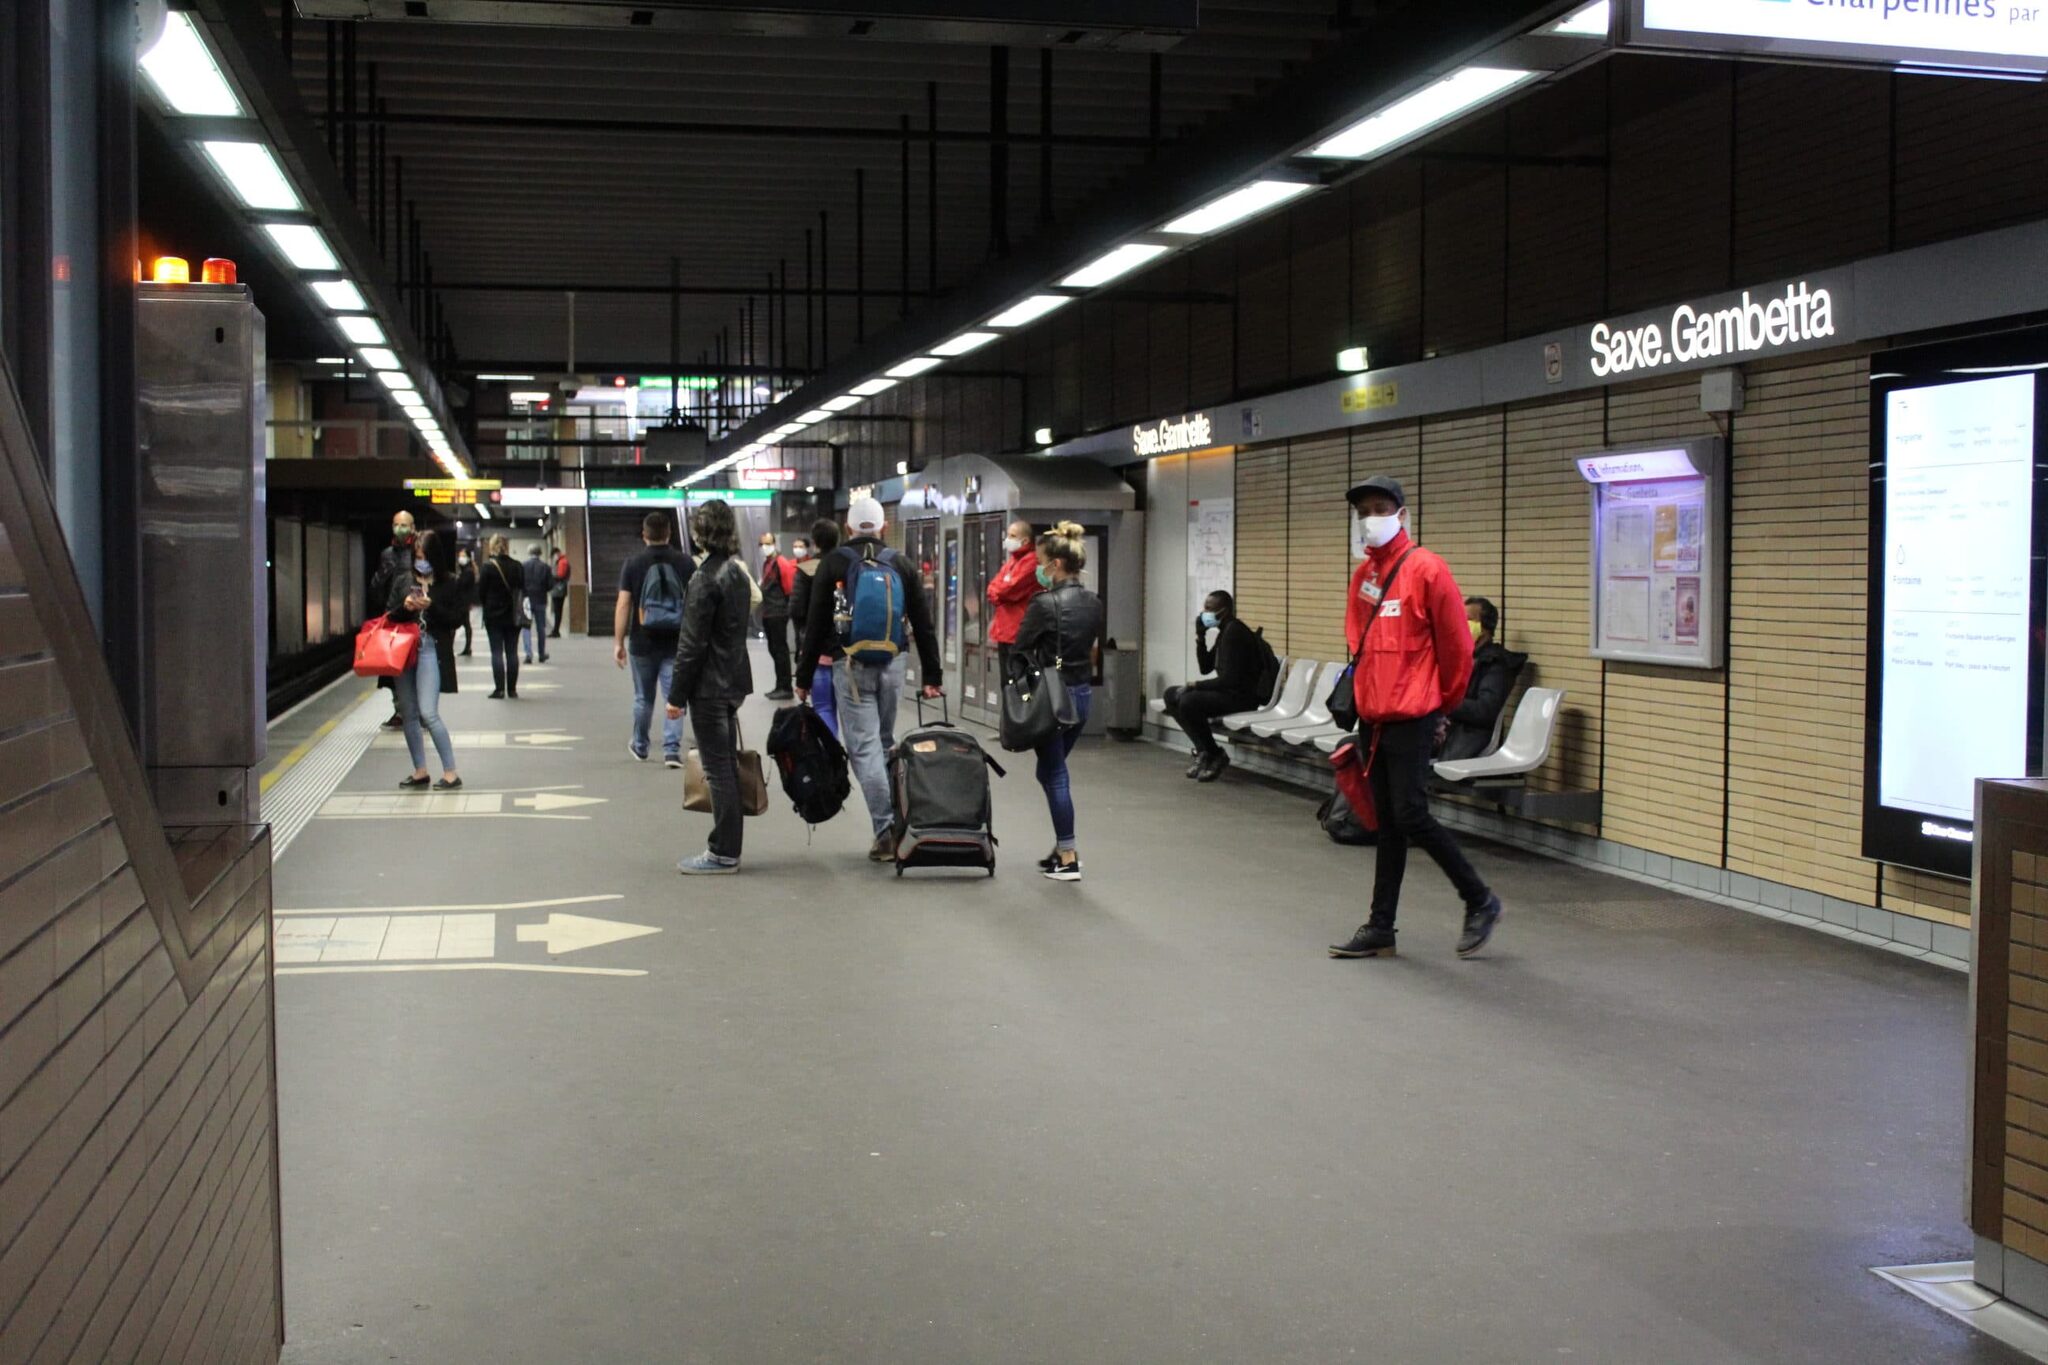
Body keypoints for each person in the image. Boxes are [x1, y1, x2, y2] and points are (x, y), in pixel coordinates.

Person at [1328, 476, 1503, 961]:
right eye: (1363, 509)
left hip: (1412, 715)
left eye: (1380, 507)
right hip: (1375, 717)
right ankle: (1381, 926)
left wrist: (1441, 708)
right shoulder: (1364, 577)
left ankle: (1479, 899)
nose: (1370, 517)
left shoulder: (1428, 570)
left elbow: (1457, 649)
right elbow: (1358, 645)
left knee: (1409, 814)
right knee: (1388, 822)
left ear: (1401, 514)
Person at [796, 495, 943, 862]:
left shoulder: (833, 563)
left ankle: (886, 832)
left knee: (863, 748)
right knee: (883, 742)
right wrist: (933, 675)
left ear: (847, 529)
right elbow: (923, 624)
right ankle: (900, 821)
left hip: (851, 665)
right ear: (884, 527)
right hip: (894, 663)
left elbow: (815, 626)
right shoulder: (902, 564)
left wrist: (803, 675)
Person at [1011, 521, 1104, 884]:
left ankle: (1068, 855)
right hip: (1081, 696)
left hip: (1053, 698)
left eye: (1040, 562)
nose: (1038, 568)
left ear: (1057, 565)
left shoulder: (1044, 603)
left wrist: (1021, 695)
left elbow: (1019, 650)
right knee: (1048, 771)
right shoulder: (1094, 603)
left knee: (1055, 774)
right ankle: (1060, 849)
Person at [666, 499, 754, 875]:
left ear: (699, 532)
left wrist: (675, 696)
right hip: (733, 679)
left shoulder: (704, 579)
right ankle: (727, 847)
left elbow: (692, 643)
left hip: (709, 687)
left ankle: (723, 852)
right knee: (726, 767)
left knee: (717, 770)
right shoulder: (736, 573)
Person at [615, 511, 697, 767]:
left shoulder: (634, 563)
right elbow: (695, 603)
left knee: (643, 697)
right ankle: (672, 750)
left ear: (644, 534)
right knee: (675, 696)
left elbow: (624, 604)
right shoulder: (686, 563)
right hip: (677, 642)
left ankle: (640, 746)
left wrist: (618, 642)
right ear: (669, 533)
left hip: (642, 642)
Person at [386, 527, 464, 791]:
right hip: (404, 650)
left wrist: (432, 607)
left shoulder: (449, 582)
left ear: (435, 556)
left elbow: (457, 619)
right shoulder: (403, 580)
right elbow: (388, 616)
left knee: (428, 713)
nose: (420, 559)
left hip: (431, 648)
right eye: (416, 554)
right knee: (408, 712)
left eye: (424, 554)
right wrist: (404, 607)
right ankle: (420, 770)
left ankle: (451, 772)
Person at [1163, 590, 1266, 783]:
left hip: (1242, 698)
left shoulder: (1235, 633)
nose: (1204, 613)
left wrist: (1195, 686)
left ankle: (1214, 753)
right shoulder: (1224, 631)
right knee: (1171, 695)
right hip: (1228, 692)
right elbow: (1205, 667)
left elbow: (1229, 680)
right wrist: (1200, 637)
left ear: (1223, 611)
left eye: (1209, 609)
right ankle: (1204, 751)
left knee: (1188, 701)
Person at [1439, 597, 1527, 763]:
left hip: (1468, 737)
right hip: (1449, 732)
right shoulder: (1462, 658)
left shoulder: (1496, 664)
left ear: (1485, 628)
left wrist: (1445, 702)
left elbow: (1485, 710)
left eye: (1469, 621)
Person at [789, 518, 841, 736]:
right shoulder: (847, 565)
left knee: (824, 708)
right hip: (845, 650)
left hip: (817, 652)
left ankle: (831, 760)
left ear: (815, 542)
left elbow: (797, 609)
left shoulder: (807, 569)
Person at [368, 509, 417, 729]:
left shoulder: (419, 551)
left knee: (414, 667)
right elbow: (376, 588)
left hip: (414, 618)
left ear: (412, 527)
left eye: (404, 524)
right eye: (396, 524)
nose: (400, 528)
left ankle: (416, 711)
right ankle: (399, 710)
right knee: (392, 667)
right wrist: (381, 577)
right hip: (392, 618)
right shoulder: (387, 554)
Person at [985, 518, 1041, 676]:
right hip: (1005, 632)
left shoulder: (1031, 562)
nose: (1008, 540)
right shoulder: (1012, 562)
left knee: (1019, 683)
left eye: (1012, 535)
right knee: (1007, 682)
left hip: (1019, 633)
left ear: (1025, 540)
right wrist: (999, 593)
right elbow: (992, 588)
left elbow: (1010, 590)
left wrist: (1000, 593)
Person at [476, 533, 524, 699]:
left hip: (493, 615)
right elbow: (522, 589)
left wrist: (488, 603)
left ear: (492, 546)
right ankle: (512, 689)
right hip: (513, 616)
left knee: (496, 652)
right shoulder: (517, 566)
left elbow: (481, 592)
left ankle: (499, 689)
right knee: (512, 652)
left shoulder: (488, 567)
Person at [758, 532, 799, 701]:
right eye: (762, 544)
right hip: (769, 612)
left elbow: (789, 589)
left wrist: (787, 610)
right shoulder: (768, 563)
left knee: (780, 650)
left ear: (774, 543)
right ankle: (780, 685)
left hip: (778, 612)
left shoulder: (781, 563)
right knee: (774, 650)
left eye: (768, 543)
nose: (765, 547)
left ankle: (785, 687)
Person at [521, 544, 552, 663]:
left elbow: (520, 583)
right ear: (540, 553)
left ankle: (528, 654)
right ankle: (541, 653)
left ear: (529, 553)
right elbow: (550, 585)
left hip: (527, 600)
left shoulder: (523, 566)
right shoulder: (545, 567)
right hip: (541, 600)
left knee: (526, 627)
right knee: (541, 628)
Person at [455, 545, 477, 656]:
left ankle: (467, 648)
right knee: (466, 624)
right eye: (460, 556)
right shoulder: (464, 570)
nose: (460, 558)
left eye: (463, 556)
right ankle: (467, 648)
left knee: (464, 624)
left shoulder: (468, 572)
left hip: (463, 602)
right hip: (463, 601)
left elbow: (462, 586)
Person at [550, 545, 571, 638]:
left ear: (556, 553)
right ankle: (555, 630)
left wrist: (551, 576)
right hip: (559, 589)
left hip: (558, 589)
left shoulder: (562, 562)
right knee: (557, 610)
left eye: (553, 556)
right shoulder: (562, 561)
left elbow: (560, 575)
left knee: (558, 611)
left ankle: (556, 630)